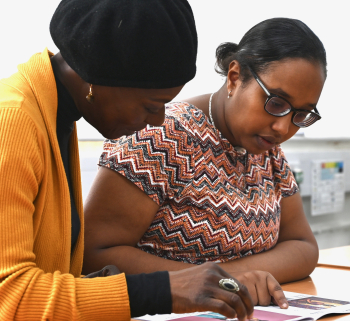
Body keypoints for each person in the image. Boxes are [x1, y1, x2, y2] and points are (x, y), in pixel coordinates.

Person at [0, 0, 283, 320]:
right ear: (95, 78)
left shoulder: (57, 112)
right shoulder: (11, 121)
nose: (156, 121)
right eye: (151, 106)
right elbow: (9, 297)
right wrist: (164, 289)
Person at [83, 17, 326, 306]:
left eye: (301, 115)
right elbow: (94, 254)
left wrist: (229, 280)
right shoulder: (161, 138)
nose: (283, 128)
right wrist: (224, 282)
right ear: (235, 77)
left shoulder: (266, 149)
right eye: (276, 103)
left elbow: (303, 246)